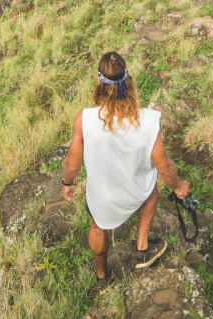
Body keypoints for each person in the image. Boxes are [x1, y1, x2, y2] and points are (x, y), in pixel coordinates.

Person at [62, 51, 190, 288]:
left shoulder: (85, 120)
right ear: (128, 80)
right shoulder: (148, 121)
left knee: (97, 226)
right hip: (135, 192)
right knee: (150, 184)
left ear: (100, 82)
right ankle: (142, 249)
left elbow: (72, 163)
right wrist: (179, 187)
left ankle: (102, 276)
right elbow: (165, 167)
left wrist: (67, 184)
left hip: (102, 198)